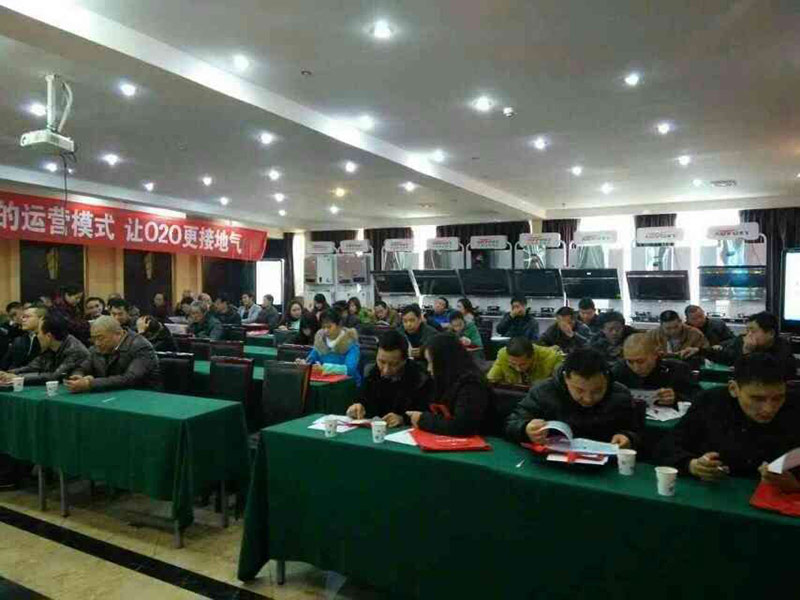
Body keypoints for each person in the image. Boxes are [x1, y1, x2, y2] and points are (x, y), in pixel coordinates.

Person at [656, 353, 800, 490]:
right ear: (733, 389)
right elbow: (667, 445)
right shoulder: (711, 402)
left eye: (778, 398)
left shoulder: (795, 408)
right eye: (757, 399)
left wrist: (795, 485)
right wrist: (691, 465)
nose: (769, 409)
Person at [505, 347, 642, 449]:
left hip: (605, 467)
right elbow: (512, 423)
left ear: (606, 379)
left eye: (597, 391)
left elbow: (637, 431)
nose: (588, 399)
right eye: (579, 390)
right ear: (566, 378)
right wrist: (525, 429)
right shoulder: (543, 391)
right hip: (552, 462)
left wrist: (628, 437)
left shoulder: (620, 395)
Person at [405, 333, 493, 436]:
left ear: (444, 362)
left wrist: (422, 420)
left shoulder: (472, 385)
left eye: (431, 362)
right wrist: (405, 418)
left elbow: (462, 426)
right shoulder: (441, 380)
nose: (428, 369)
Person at [346, 330, 433, 427]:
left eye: (393, 364)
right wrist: (358, 406)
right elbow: (363, 399)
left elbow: (424, 415)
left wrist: (403, 419)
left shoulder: (420, 379)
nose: (386, 370)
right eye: (381, 362)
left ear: (404, 360)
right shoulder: (373, 373)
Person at [65, 316, 161, 393]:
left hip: (142, 396)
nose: (97, 343)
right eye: (94, 338)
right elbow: (82, 367)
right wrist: (78, 375)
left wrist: (91, 384)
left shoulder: (141, 346)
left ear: (118, 334)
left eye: (100, 338)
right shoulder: (96, 348)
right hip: (109, 393)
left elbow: (130, 378)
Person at [611, 334, 700, 406]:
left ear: (655, 355)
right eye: (630, 361)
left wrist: (677, 397)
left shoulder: (677, 369)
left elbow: (699, 397)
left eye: (641, 361)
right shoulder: (619, 370)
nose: (636, 368)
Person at [703, 312, 798, 380]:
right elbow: (727, 356)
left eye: (753, 331)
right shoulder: (742, 342)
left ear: (771, 333)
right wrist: (701, 351)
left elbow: (761, 377)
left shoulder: (782, 349)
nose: (748, 335)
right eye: (747, 331)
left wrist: (747, 355)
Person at [0, 313, 89, 385]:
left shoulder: (75, 350)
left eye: (38, 333)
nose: (37, 336)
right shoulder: (49, 347)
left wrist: (18, 378)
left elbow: (54, 376)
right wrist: (7, 373)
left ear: (48, 336)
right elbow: (32, 367)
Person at [303, 308, 361, 385]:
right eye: (323, 327)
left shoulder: (350, 342)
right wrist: (303, 364)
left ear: (339, 325)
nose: (326, 331)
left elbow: (350, 369)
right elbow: (311, 359)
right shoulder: (320, 341)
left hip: (347, 384)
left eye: (329, 327)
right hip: (324, 382)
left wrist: (324, 368)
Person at [488, 336, 564, 387]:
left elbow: (560, 386)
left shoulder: (553, 358)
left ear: (532, 357)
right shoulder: (503, 355)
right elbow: (491, 379)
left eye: (522, 364)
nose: (518, 369)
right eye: (513, 364)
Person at [645, 310, 709, 361]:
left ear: (680, 322)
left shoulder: (695, 334)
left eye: (676, 327)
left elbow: (706, 352)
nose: (673, 331)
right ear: (661, 326)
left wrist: (696, 351)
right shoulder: (652, 335)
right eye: (668, 328)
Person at [0, 305, 45, 371]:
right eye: (23, 317)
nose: (23, 319)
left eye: (27, 317)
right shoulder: (19, 340)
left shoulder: (47, 338)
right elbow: (4, 364)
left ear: (41, 318)